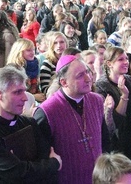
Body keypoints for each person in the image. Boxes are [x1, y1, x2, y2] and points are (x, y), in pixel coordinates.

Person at [0, 66, 62, 183]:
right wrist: (54, 164)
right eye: (17, 92)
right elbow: (18, 173)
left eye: (24, 91)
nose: (25, 98)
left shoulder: (29, 123)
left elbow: (45, 156)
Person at [34, 55, 109, 184]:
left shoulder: (96, 100)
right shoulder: (47, 111)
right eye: (80, 76)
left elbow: (105, 140)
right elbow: (43, 160)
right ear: (64, 82)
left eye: (87, 72)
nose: (88, 78)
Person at [95, 46, 131, 161]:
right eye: (120, 59)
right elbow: (113, 123)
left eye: (126, 58)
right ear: (109, 64)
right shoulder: (101, 87)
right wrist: (124, 96)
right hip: (116, 143)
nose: (126, 62)